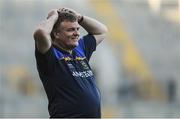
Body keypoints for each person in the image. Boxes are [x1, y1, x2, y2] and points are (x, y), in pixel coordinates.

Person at [33, 7, 108, 118]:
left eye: (77, 29)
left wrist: (80, 18)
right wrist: (54, 17)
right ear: (56, 34)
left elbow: (102, 31)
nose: (76, 33)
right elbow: (40, 32)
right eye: (70, 30)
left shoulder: (80, 49)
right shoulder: (50, 54)